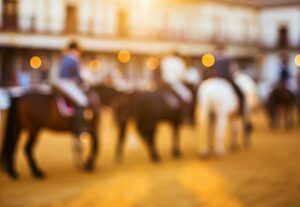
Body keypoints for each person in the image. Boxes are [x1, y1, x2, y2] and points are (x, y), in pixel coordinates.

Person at [53, 41, 88, 136]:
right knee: (83, 101)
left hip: (61, 82)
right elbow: (77, 75)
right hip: (67, 83)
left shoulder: (65, 57)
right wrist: (84, 83)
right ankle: (77, 128)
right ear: (75, 49)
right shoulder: (73, 59)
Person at [213, 45, 245, 115]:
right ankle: (241, 111)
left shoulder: (214, 59)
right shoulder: (228, 60)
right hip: (227, 80)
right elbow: (232, 71)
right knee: (241, 95)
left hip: (215, 79)